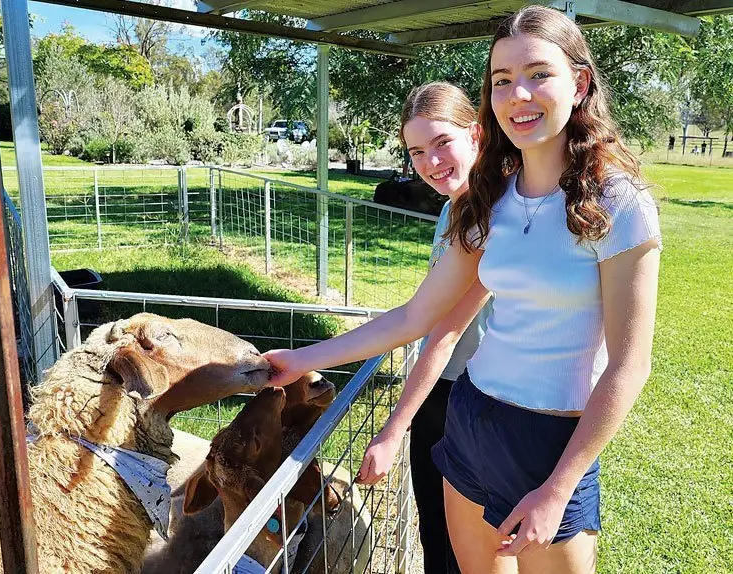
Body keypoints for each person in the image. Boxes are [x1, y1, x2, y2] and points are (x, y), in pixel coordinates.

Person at [265, 6, 661, 574]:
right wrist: (298, 358)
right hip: (471, 422)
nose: (518, 94)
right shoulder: (489, 203)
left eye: (538, 74)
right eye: (502, 80)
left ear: (580, 83)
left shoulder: (618, 204)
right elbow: (415, 317)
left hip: (552, 443)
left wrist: (558, 489)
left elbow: (630, 365)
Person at [354, 82, 493, 574]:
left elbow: (441, 332)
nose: (430, 162)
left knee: (470, 547)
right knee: (436, 533)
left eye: (441, 143)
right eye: (416, 151)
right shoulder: (453, 206)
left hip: (474, 399)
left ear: (475, 134)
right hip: (438, 393)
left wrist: (393, 428)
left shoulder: (490, 213)